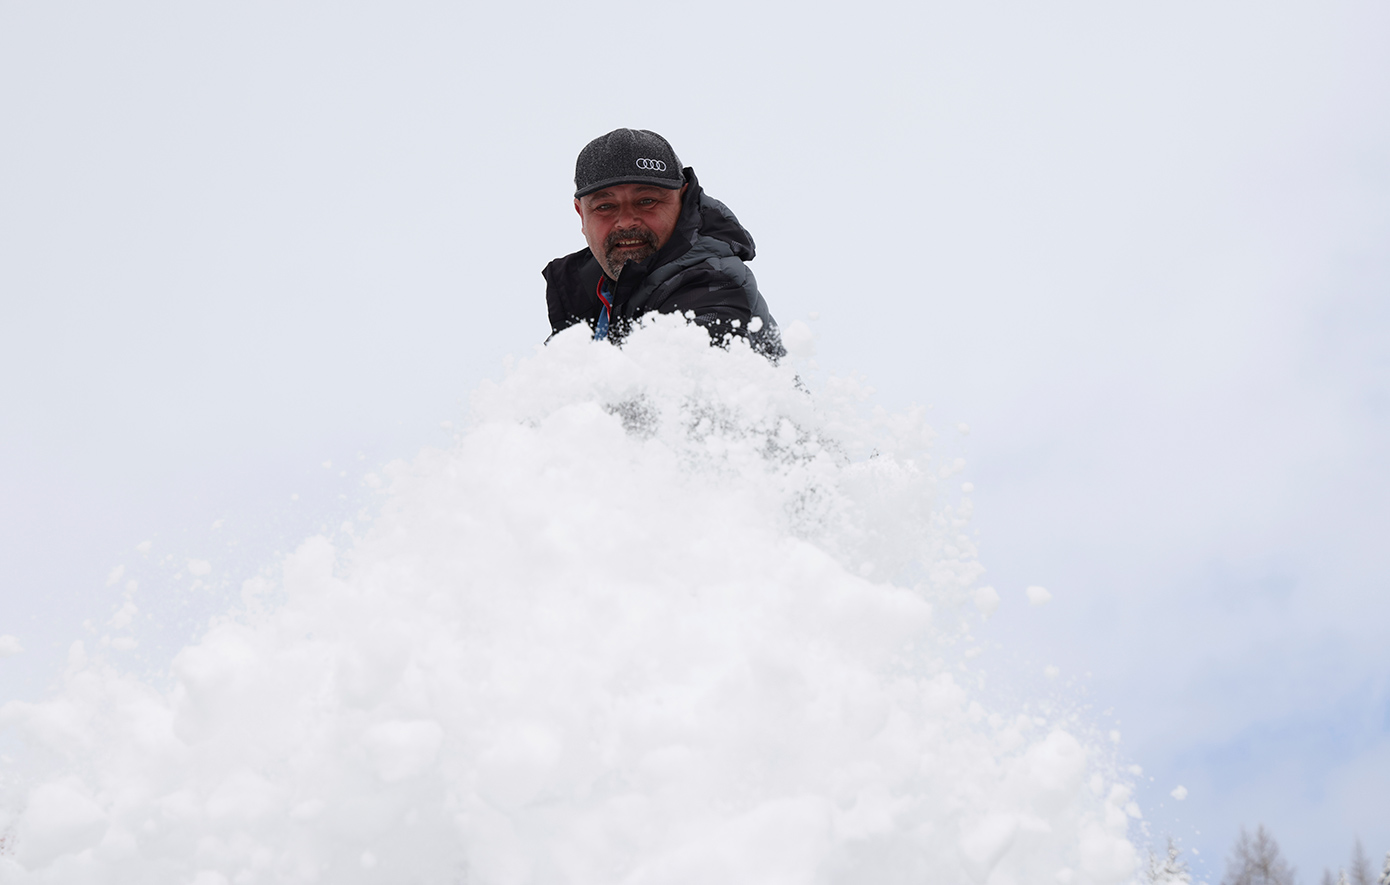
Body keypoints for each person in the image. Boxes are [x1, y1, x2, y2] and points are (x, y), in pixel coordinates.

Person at [542, 128, 783, 356]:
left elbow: (680, 377)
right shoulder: (591, 293)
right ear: (581, 215)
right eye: (605, 206)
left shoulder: (714, 285)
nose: (626, 222)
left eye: (647, 201)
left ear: (683, 200)